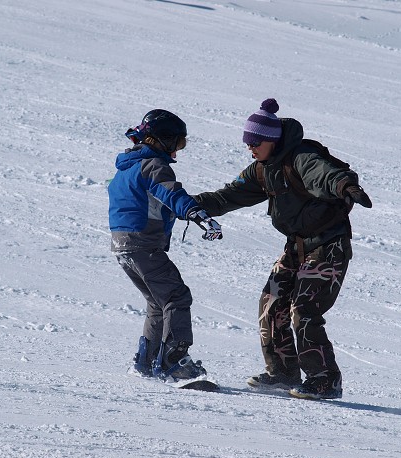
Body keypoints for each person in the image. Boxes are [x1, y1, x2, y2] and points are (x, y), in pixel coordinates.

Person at [193, 99, 372, 399]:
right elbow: (228, 196)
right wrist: (188, 205)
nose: (250, 147)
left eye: (255, 141)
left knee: (304, 309)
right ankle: (283, 371)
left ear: (272, 139)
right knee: (271, 303)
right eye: (247, 142)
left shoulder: (301, 156)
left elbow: (323, 173)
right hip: (296, 246)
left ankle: (325, 378)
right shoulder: (262, 170)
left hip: (328, 245)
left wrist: (345, 185)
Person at [108, 109, 223, 382]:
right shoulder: (152, 166)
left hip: (124, 246)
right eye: (176, 143)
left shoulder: (127, 168)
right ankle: (174, 362)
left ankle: (147, 363)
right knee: (176, 297)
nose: (176, 151)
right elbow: (170, 192)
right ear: (162, 140)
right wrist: (196, 214)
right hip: (143, 244)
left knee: (158, 302)